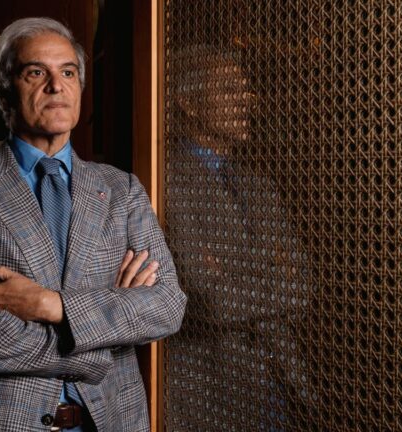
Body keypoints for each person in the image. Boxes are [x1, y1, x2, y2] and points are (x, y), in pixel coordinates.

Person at [0, 17, 186, 431]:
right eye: (36, 73)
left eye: (68, 72)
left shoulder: (122, 189)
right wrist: (101, 344)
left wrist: (50, 305)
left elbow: (166, 306)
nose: (56, 86)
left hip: (110, 420)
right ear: (5, 90)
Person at [164, 45, 313, 431]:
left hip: (280, 384)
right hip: (212, 392)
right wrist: (275, 279)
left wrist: (237, 284)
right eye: (230, 90)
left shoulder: (258, 186)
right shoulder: (165, 182)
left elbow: (304, 288)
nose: (247, 100)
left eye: (247, 90)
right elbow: (209, 301)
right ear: (189, 104)